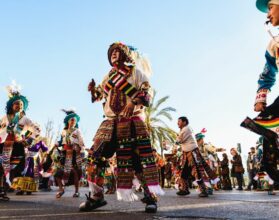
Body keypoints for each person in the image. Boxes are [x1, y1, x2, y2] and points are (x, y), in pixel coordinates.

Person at [80, 42, 163, 213]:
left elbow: (147, 91)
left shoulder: (136, 73)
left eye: (117, 51)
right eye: (111, 52)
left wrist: (133, 101)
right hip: (110, 122)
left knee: (139, 161)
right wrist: (92, 91)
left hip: (131, 121)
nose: (113, 54)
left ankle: (150, 197)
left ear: (125, 55)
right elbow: (100, 95)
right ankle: (96, 196)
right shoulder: (108, 77)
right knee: (95, 157)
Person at [0, 82, 39, 200]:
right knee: (1, 168)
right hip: (4, 146)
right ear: (12, 105)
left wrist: (27, 140)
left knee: (15, 169)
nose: (19, 105)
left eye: (21, 104)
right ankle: (2, 191)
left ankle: (8, 188)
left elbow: (36, 130)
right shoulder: (4, 118)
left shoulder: (25, 119)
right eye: (17, 103)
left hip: (17, 147)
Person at [52, 109, 85, 198]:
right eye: (71, 119)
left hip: (74, 153)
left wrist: (81, 150)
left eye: (74, 120)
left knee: (74, 172)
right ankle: (61, 189)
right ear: (68, 121)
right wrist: (57, 144)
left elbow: (81, 142)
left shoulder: (77, 131)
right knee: (58, 173)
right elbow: (61, 140)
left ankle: (77, 191)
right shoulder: (64, 131)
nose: (73, 121)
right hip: (64, 153)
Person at [175, 116, 209, 197]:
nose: (177, 123)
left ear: (184, 122)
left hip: (192, 152)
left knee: (196, 171)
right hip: (187, 153)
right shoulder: (184, 129)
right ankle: (184, 189)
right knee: (184, 172)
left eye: (179, 121)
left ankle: (204, 190)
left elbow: (179, 141)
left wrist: (177, 138)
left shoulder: (186, 129)